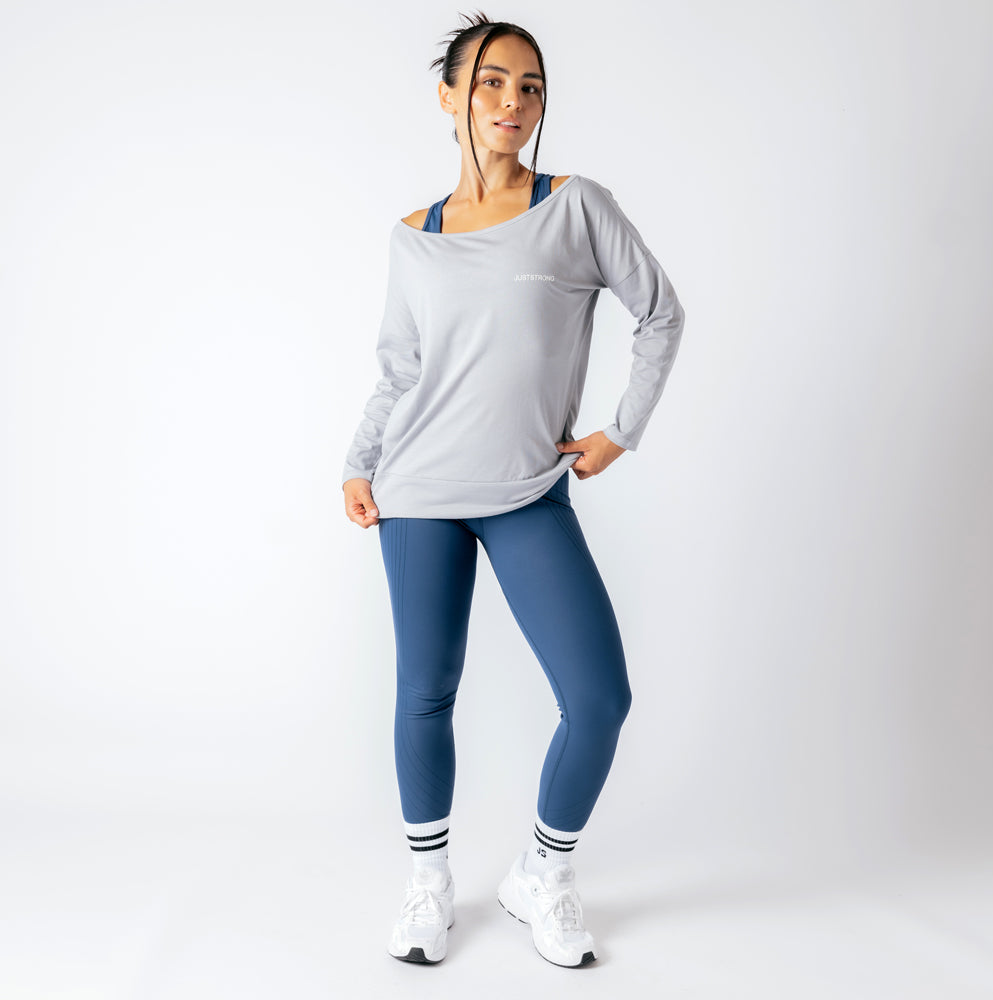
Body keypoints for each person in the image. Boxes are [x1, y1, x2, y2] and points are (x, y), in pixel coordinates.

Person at [341, 10, 685, 969]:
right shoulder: (414, 237)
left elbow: (660, 313)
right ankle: (428, 882)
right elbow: (400, 369)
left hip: (529, 490)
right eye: (491, 81)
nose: (512, 101)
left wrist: (621, 431)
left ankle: (542, 871)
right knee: (426, 692)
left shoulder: (576, 207)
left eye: (529, 86)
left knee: (598, 697)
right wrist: (358, 462)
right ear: (449, 95)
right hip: (416, 489)